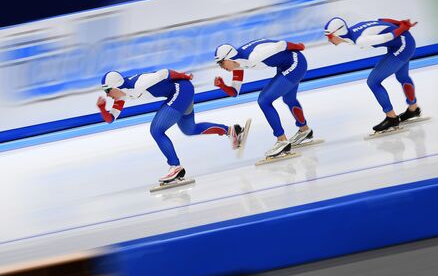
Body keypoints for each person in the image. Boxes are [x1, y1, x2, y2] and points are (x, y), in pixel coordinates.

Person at [96, 69, 248, 183]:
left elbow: (164, 73)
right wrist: (103, 109)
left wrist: (185, 76)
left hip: (181, 89)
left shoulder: (137, 84)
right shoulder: (122, 95)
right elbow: (111, 118)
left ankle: (175, 167)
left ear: (116, 86)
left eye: (108, 90)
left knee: (156, 130)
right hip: (183, 91)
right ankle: (232, 131)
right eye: (105, 92)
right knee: (189, 129)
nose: (108, 95)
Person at [214, 39, 312, 158]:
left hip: (295, 63)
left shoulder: (252, 57)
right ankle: (304, 130)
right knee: (289, 99)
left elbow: (282, 45)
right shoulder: (238, 64)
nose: (221, 67)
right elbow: (235, 92)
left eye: (221, 63)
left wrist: (299, 46)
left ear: (229, 58)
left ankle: (282, 141)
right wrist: (222, 85)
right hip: (285, 65)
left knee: (264, 100)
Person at [324, 16, 421, 133]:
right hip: (401, 42)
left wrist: (403, 27)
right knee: (402, 77)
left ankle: (391, 118)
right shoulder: (352, 31)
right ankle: (413, 109)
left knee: (373, 82)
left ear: (338, 33)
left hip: (403, 45)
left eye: (329, 36)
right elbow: (381, 21)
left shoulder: (360, 40)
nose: (328, 40)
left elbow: (388, 36)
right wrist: (400, 23)